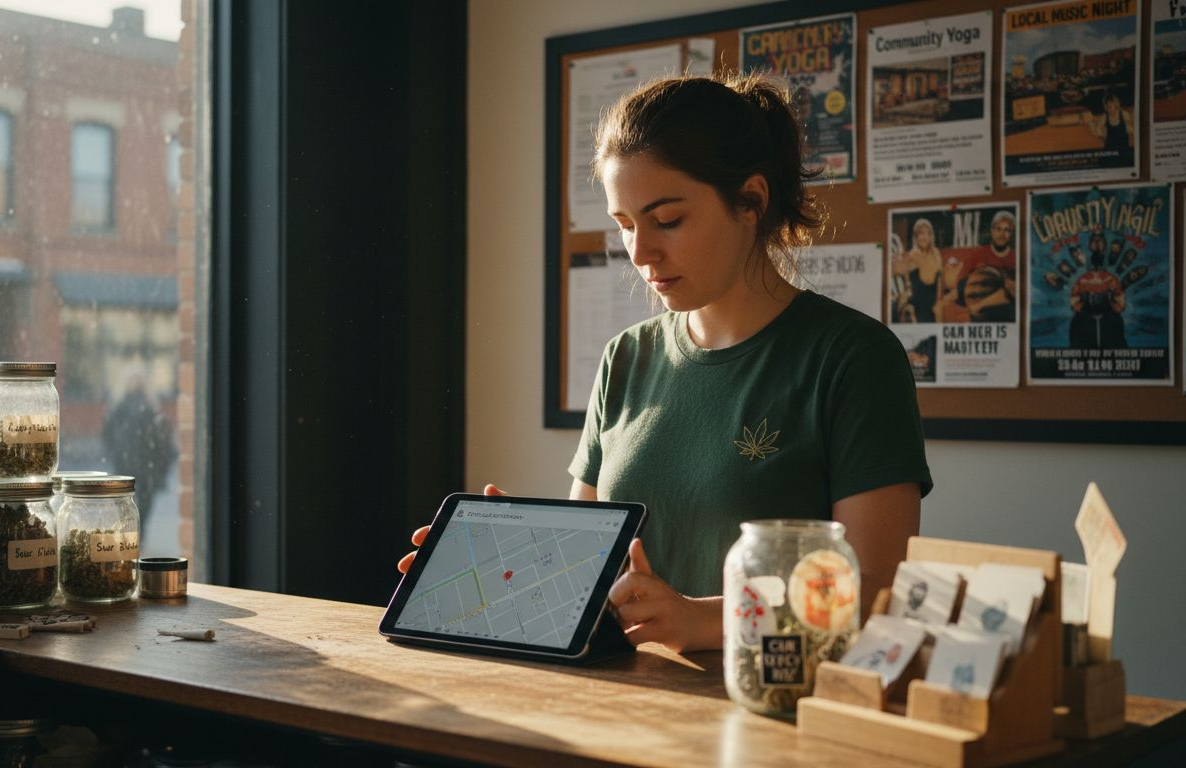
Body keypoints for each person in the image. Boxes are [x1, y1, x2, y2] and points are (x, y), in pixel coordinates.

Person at [400, 74, 931, 653]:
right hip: (623, 707)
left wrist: (706, 621)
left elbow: (877, 590)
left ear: (750, 201)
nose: (640, 253)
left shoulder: (852, 358)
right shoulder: (626, 357)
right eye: (625, 225)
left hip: (774, 712)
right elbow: (593, 576)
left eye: (668, 220)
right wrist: (514, 562)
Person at [102, 374, 177, 534]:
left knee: (125, 501)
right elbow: (160, 440)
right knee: (144, 501)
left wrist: (117, 453)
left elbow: (107, 434)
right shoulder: (149, 409)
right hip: (145, 465)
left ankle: (128, 533)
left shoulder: (119, 409)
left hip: (124, 463)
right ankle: (138, 534)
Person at [952, 211, 1017, 323]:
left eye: (1007, 230)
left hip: (1007, 318)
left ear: (1011, 234)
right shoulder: (977, 255)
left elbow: (1016, 291)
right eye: (998, 229)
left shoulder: (1016, 257)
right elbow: (960, 286)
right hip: (981, 319)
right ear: (992, 231)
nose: (1002, 234)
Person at [891, 218, 942, 323]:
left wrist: (939, 302)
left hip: (932, 302)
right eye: (922, 233)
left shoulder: (936, 253)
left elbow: (939, 278)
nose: (925, 237)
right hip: (917, 303)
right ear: (916, 236)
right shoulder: (912, 255)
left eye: (928, 234)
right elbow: (897, 270)